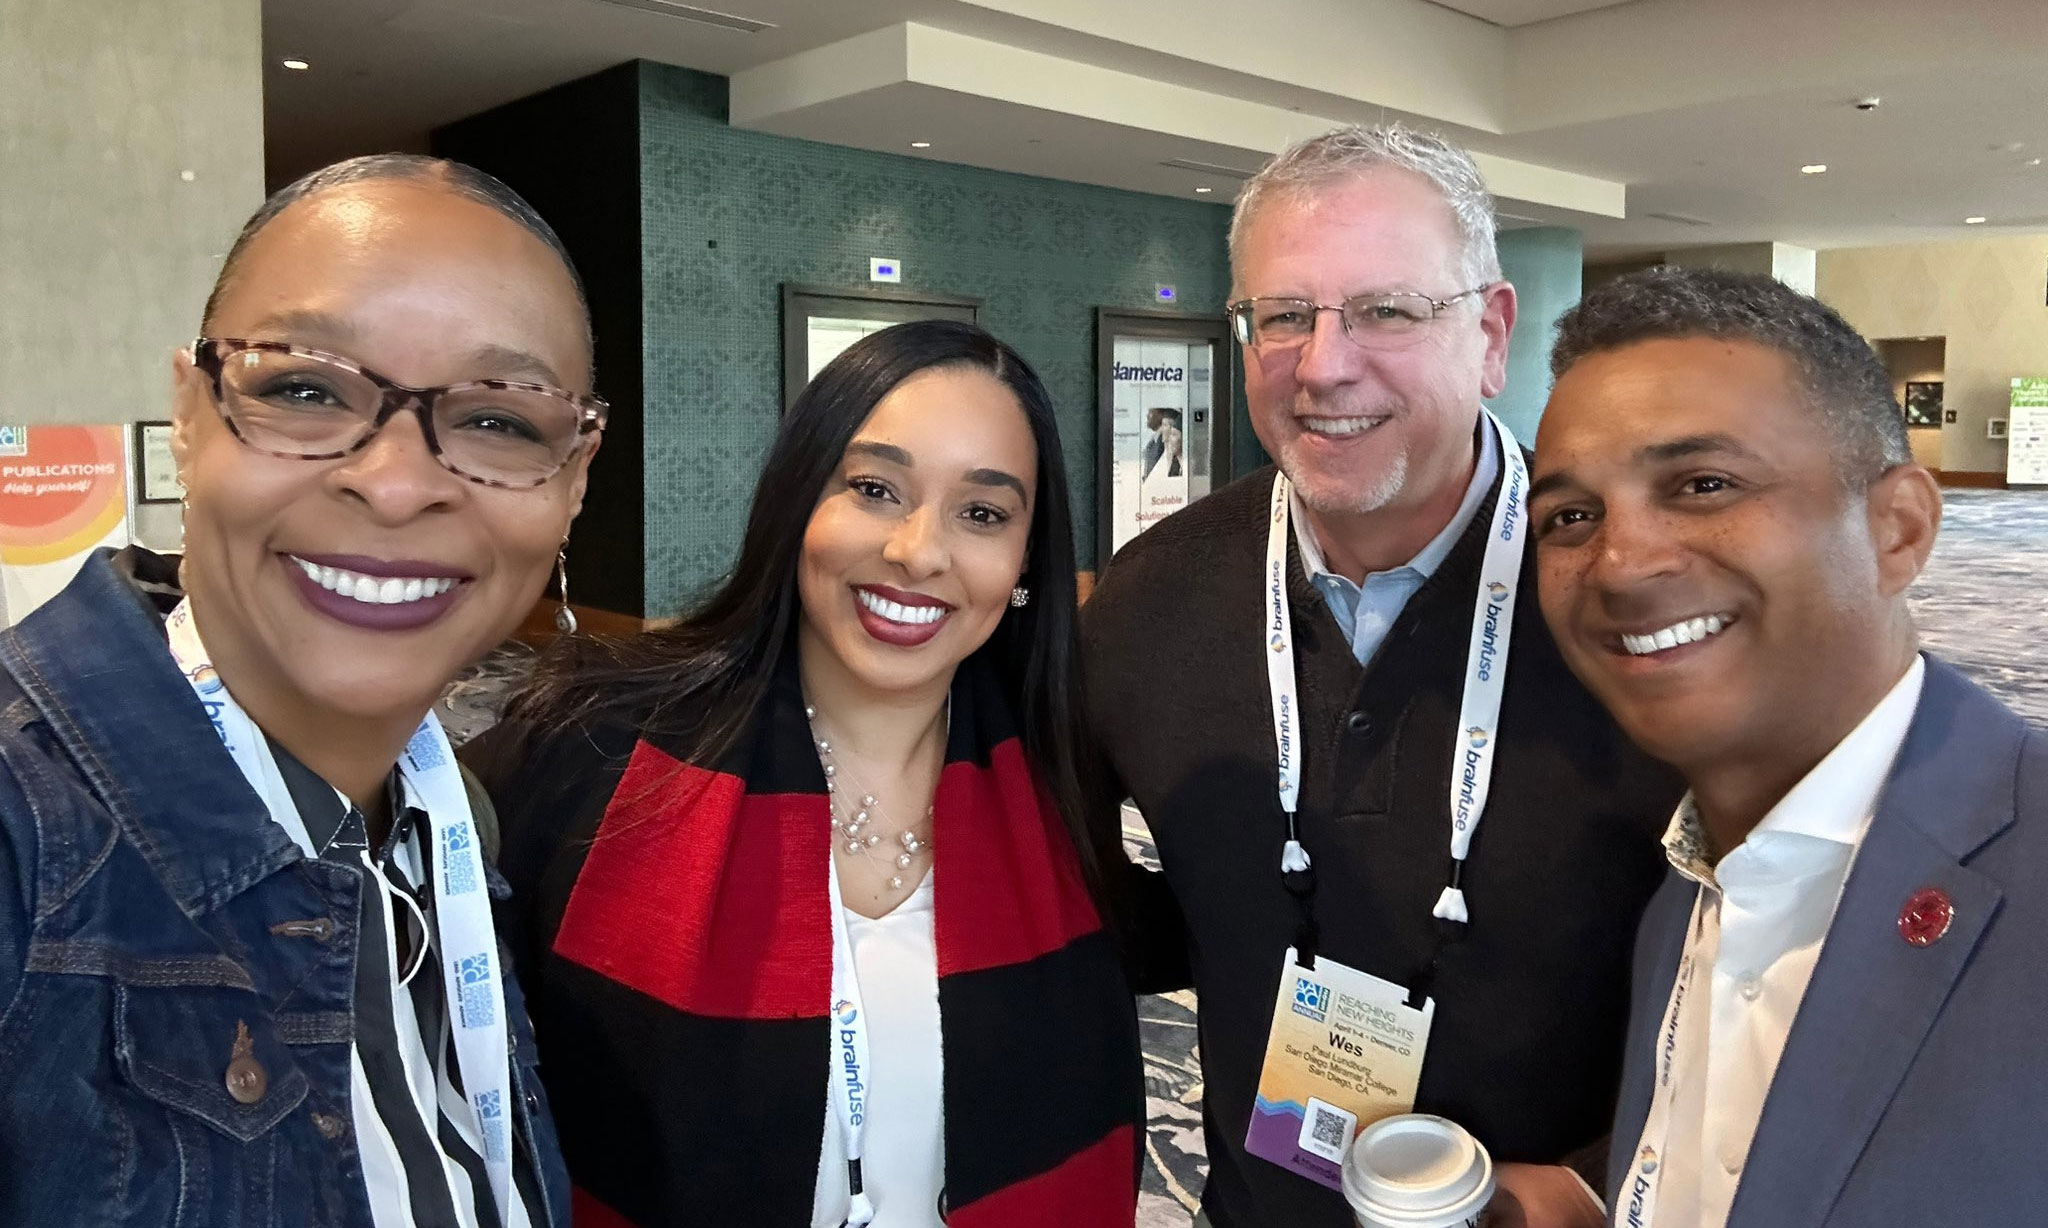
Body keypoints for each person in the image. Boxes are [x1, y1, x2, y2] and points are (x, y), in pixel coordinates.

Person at [1081, 123, 1683, 1228]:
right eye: (1282, 315)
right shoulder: (1148, 598)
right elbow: (1088, 897)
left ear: (1492, 332)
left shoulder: (1638, 598)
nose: (1322, 364)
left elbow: (1767, 964)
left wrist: (1603, 1178)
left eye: (1385, 311)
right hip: (1259, 1202)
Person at [0, 154, 603, 1226]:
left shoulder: (452, 820)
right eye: (306, 388)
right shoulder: (22, 843)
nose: (395, 480)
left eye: (498, 419)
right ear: (188, 412)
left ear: (573, 476)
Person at [469, 319, 1142, 1228]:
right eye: (873, 488)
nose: (918, 550)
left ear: (1026, 562)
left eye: (982, 513)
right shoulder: (599, 750)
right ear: (799, 505)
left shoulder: (1061, 787)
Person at [1530, 266, 2048, 1228]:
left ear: (1899, 528)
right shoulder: (1688, 882)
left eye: (1703, 484)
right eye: (1571, 515)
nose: (1621, 561)